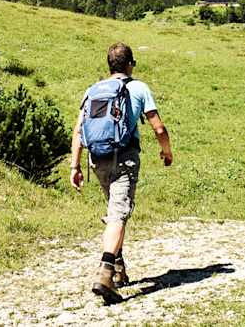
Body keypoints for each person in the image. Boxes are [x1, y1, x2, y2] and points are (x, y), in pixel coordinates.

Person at [69, 42, 173, 305]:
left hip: (97, 158)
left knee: (114, 211)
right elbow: (159, 128)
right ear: (130, 64)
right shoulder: (138, 88)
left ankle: (118, 269)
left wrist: (75, 166)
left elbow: (79, 130)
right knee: (118, 215)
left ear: (109, 66)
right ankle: (105, 273)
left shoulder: (93, 90)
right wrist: (167, 152)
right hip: (124, 158)